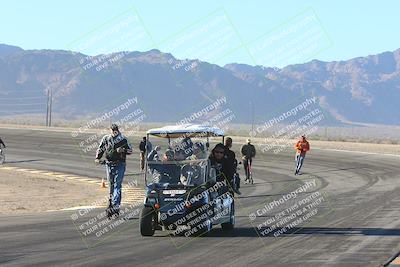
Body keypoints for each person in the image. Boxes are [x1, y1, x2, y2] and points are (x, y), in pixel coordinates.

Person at [95, 124, 132, 217]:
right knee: (111, 185)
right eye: (112, 130)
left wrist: (123, 150)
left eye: (115, 130)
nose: (114, 131)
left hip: (120, 164)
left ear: (117, 130)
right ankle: (110, 204)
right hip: (109, 164)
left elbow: (130, 150)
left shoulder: (123, 139)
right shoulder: (106, 138)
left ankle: (116, 205)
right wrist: (97, 158)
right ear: (110, 130)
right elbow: (101, 148)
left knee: (117, 185)